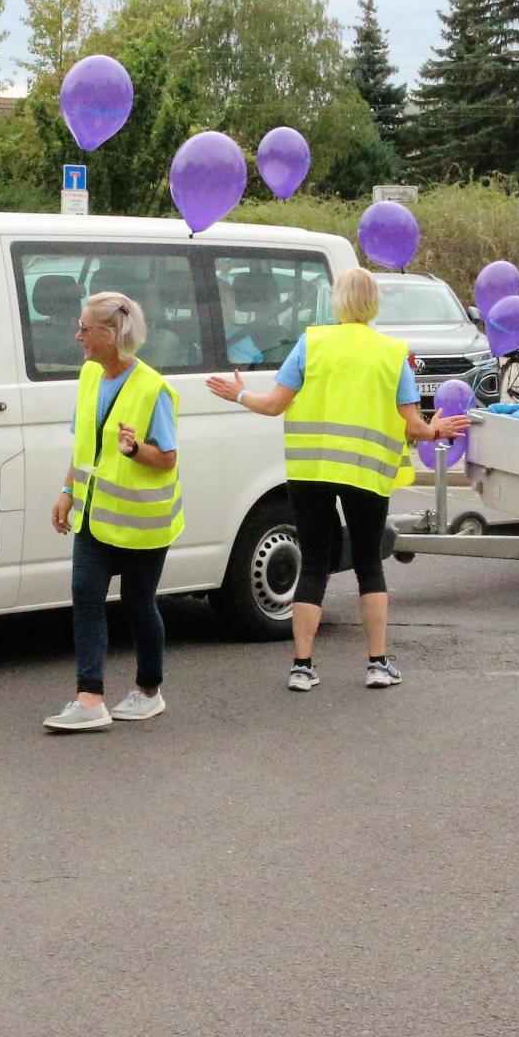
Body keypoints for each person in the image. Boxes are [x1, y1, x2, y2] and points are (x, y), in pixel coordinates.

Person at [205, 267, 468, 692]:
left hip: (311, 471)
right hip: (365, 472)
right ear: (374, 303)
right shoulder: (391, 353)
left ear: (338, 301)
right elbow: (414, 428)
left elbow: (273, 405)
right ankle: (378, 663)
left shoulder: (313, 343)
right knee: (368, 565)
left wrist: (237, 393)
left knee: (313, 564)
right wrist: (438, 428)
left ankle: (302, 667)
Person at [45, 292, 180, 732]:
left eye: (85, 328)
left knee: (139, 604)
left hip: (143, 522)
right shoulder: (89, 376)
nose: (77, 336)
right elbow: (84, 445)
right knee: (85, 598)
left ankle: (148, 691)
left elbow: (167, 458)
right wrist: (67, 490)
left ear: (112, 334)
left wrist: (136, 449)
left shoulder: (153, 387)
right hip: (93, 516)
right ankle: (90, 698)